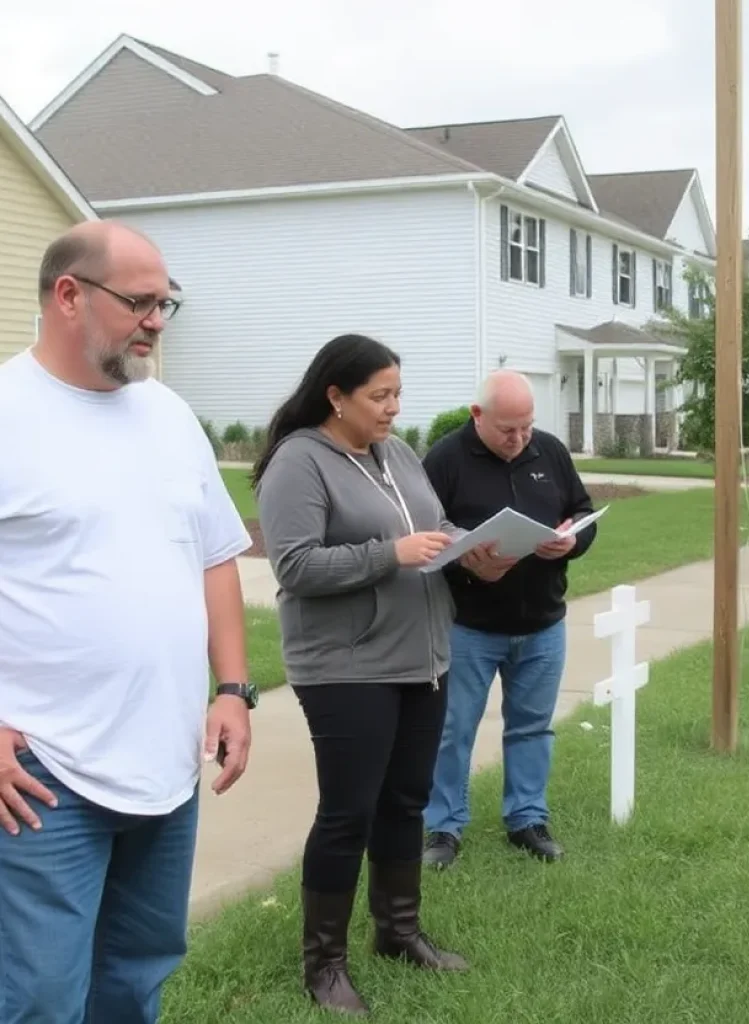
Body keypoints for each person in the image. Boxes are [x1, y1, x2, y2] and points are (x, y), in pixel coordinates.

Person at [0, 221, 255, 1024]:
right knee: (39, 998)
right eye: (140, 302)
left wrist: (235, 688)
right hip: (44, 773)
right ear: (68, 296)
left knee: (135, 980)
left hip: (165, 763)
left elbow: (214, 554)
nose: (156, 320)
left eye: (165, 303)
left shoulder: (170, 414)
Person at [253, 334, 471, 1017]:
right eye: (379, 396)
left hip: (422, 657)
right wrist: (391, 553)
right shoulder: (300, 462)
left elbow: (432, 527)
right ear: (335, 395)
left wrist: (477, 547)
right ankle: (324, 965)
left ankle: (398, 932)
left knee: (406, 802)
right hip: (347, 668)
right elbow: (294, 568)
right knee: (348, 813)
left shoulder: (396, 454)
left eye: (398, 394)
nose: (393, 409)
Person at [421, 369, 598, 869]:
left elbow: (580, 510)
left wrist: (572, 540)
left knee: (533, 727)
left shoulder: (550, 452)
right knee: (454, 729)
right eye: (508, 430)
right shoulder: (445, 460)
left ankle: (527, 819)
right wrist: (465, 557)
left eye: (527, 427)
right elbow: (422, 530)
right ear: (478, 416)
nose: (520, 439)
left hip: (542, 622)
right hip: (469, 625)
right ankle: (444, 828)